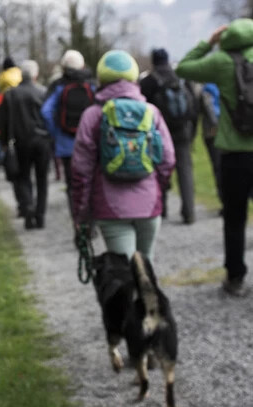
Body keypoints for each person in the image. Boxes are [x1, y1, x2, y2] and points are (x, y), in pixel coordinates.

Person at [71, 50, 175, 260]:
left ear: (101, 78)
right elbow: (168, 159)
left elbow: (81, 170)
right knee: (146, 266)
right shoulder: (151, 112)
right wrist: (158, 189)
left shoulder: (92, 115)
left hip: (111, 208)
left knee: (124, 271)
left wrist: (81, 214)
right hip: (148, 205)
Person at [176, 19, 253, 296]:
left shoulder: (221, 62)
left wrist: (208, 43)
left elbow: (183, 68)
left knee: (234, 219)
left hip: (233, 154)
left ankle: (235, 278)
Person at [140, 48, 197, 224]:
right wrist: (192, 133)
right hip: (182, 133)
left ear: (153, 62)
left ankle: (161, 208)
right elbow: (194, 107)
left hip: (158, 133)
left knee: (159, 169)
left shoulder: (148, 82)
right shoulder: (180, 78)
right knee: (185, 172)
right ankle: (189, 212)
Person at [0, 60, 52, 229]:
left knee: (23, 177)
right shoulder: (43, 92)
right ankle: (40, 215)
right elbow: (50, 117)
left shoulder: (10, 95)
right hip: (42, 141)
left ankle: (28, 208)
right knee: (42, 179)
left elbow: (2, 122)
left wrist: (4, 142)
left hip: (20, 142)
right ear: (35, 75)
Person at [42, 50, 97, 218]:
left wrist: (56, 132)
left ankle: (77, 220)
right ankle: (92, 218)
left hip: (66, 144)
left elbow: (46, 111)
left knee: (72, 184)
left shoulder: (59, 86)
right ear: (83, 65)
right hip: (89, 142)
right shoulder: (91, 84)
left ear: (63, 66)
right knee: (92, 181)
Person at [199, 82, 223, 205]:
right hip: (227, 131)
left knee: (218, 166)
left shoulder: (207, 88)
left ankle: (223, 199)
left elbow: (209, 108)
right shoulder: (222, 85)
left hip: (212, 132)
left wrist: (215, 125)